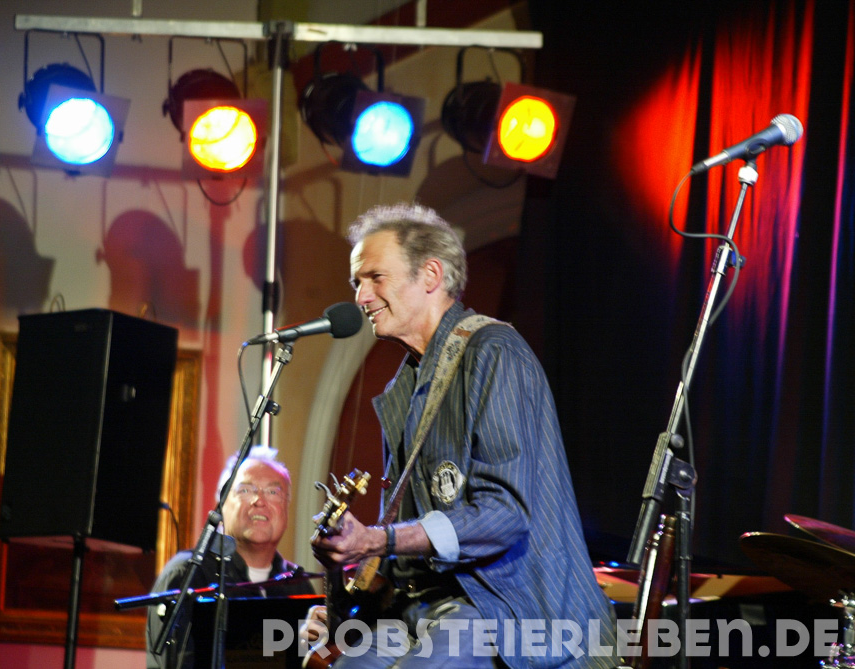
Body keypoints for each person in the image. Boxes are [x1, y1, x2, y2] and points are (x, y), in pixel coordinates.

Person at [305, 203, 617, 668]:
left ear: (431, 274)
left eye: (375, 278)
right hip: (422, 608)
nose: (362, 297)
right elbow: (402, 552)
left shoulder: (495, 351)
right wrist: (344, 589)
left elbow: (505, 513)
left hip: (508, 608)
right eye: (357, 283)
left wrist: (377, 539)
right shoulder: (405, 387)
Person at [147, 446, 316, 669]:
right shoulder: (188, 574)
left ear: (286, 508)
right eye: (245, 490)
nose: (259, 500)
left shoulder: (298, 585)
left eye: (273, 492)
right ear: (221, 504)